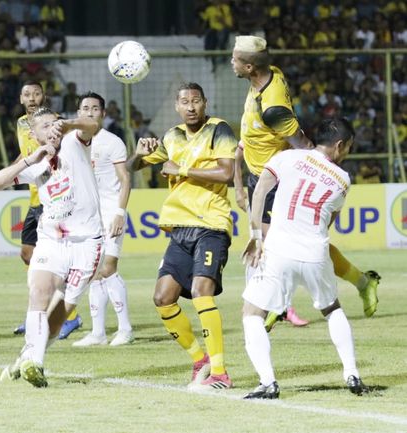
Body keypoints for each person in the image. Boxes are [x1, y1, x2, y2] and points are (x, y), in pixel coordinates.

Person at [231, 35, 380, 330]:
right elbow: (253, 136)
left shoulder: (273, 108)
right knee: (287, 246)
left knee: (281, 245)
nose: (230, 62)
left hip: (275, 181)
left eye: (234, 58)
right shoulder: (269, 75)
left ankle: (278, 305)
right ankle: (358, 283)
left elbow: (302, 144)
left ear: (249, 67)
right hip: (257, 176)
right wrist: (238, 180)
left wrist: (321, 174)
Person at [241, 118, 368, 399]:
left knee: (252, 313)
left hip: (278, 249)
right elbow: (328, 221)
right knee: (332, 308)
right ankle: (352, 374)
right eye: (347, 147)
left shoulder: (287, 157)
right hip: (315, 252)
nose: (346, 152)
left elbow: (261, 190)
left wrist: (256, 236)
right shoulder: (343, 180)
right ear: (339, 145)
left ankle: (268, 382)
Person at [127, 83, 236, 389]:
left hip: (211, 225)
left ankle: (219, 372)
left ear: (205, 103)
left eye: (196, 101)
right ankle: (199, 359)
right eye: (185, 102)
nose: (191, 106)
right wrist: (138, 155)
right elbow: (133, 167)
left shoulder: (220, 130)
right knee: (163, 298)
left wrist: (183, 170)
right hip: (179, 227)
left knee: (202, 291)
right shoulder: (172, 136)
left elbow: (226, 173)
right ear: (177, 106)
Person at [0, 107, 101, 387]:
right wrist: (29, 159)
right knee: (39, 292)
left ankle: (28, 355)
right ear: (34, 134)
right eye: (45, 126)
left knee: (61, 309)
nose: (51, 128)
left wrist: (67, 125)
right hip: (52, 239)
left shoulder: (75, 142)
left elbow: (93, 125)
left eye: (54, 123)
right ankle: (34, 363)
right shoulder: (36, 164)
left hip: (86, 243)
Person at [13, 81, 82, 338]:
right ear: (21, 98)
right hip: (34, 199)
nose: (32, 98)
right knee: (27, 254)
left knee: (52, 261)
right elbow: (24, 154)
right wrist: (14, 171)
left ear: (45, 96)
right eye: (27, 94)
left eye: (37, 93)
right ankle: (39, 309)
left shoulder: (57, 124)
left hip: (54, 200)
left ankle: (65, 316)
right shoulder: (22, 124)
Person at [71, 91, 134, 347]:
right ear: (78, 113)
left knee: (108, 268)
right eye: (85, 108)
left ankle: (126, 329)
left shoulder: (112, 142)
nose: (90, 112)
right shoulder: (72, 141)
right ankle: (98, 333)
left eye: (95, 108)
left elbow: (125, 179)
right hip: (86, 215)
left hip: (110, 211)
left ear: (103, 114)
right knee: (93, 272)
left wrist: (120, 212)